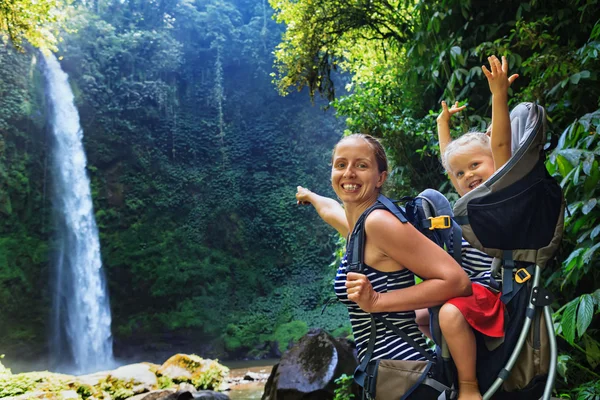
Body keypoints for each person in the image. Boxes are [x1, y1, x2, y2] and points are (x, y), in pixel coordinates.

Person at [296, 133, 472, 376]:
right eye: (341, 165)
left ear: (380, 178)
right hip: (389, 373)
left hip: (405, 371)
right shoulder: (357, 225)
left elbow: (457, 282)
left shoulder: (378, 222)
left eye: (361, 165)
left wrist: (377, 301)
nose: (348, 173)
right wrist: (309, 196)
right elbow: (331, 210)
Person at [429, 55, 518, 399]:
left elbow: (499, 145)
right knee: (423, 314)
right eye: (461, 174)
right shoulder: (468, 199)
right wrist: (443, 125)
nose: (468, 176)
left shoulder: (501, 191)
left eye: (476, 165)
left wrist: (498, 95)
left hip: (489, 288)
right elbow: (448, 160)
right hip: (466, 286)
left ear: (496, 165)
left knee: (449, 313)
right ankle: (450, 359)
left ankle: (468, 385)